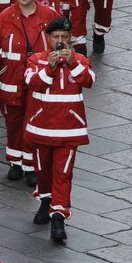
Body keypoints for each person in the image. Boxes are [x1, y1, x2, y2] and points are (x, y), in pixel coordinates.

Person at [23, 19, 92, 245]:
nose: (60, 42)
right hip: (41, 128)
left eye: (64, 37)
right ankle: (45, 199)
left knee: (63, 174)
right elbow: (33, 83)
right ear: (48, 38)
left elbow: (89, 80)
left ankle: (58, 218)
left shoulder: (79, 60)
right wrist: (49, 68)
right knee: (43, 171)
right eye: (55, 37)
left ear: (70, 37)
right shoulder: (37, 60)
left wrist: (73, 63)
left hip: (69, 130)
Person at [0, 0, 60, 184]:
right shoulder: (4, 17)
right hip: (11, 81)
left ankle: (31, 165)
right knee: (13, 123)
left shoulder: (49, 15)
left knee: (34, 124)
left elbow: (60, 42)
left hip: (38, 80)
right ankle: (15, 161)